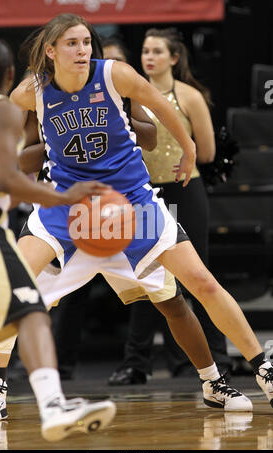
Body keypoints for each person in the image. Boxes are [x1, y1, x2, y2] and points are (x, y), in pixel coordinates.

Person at [0, 13, 273, 421]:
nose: (82, 50)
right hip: (68, 208)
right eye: (72, 44)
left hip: (132, 204)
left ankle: (250, 372)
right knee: (16, 287)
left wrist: (186, 144)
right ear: (50, 51)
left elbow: (159, 107)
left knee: (196, 285)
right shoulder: (32, 92)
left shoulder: (116, 74)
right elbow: (1, 136)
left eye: (85, 42)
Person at [0, 35, 116, 441]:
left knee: (16, 312)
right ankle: (52, 406)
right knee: (31, 309)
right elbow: (6, 177)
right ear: (7, 75)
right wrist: (61, 195)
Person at [108, 29, 231, 385]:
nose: (149, 57)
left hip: (185, 190)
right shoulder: (128, 93)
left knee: (198, 277)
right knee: (145, 275)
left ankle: (217, 356)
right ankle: (137, 362)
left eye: (157, 51)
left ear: (174, 58)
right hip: (143, 194)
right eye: (145, 51)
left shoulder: (189, 96)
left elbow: (206, 153)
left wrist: (181, 156)